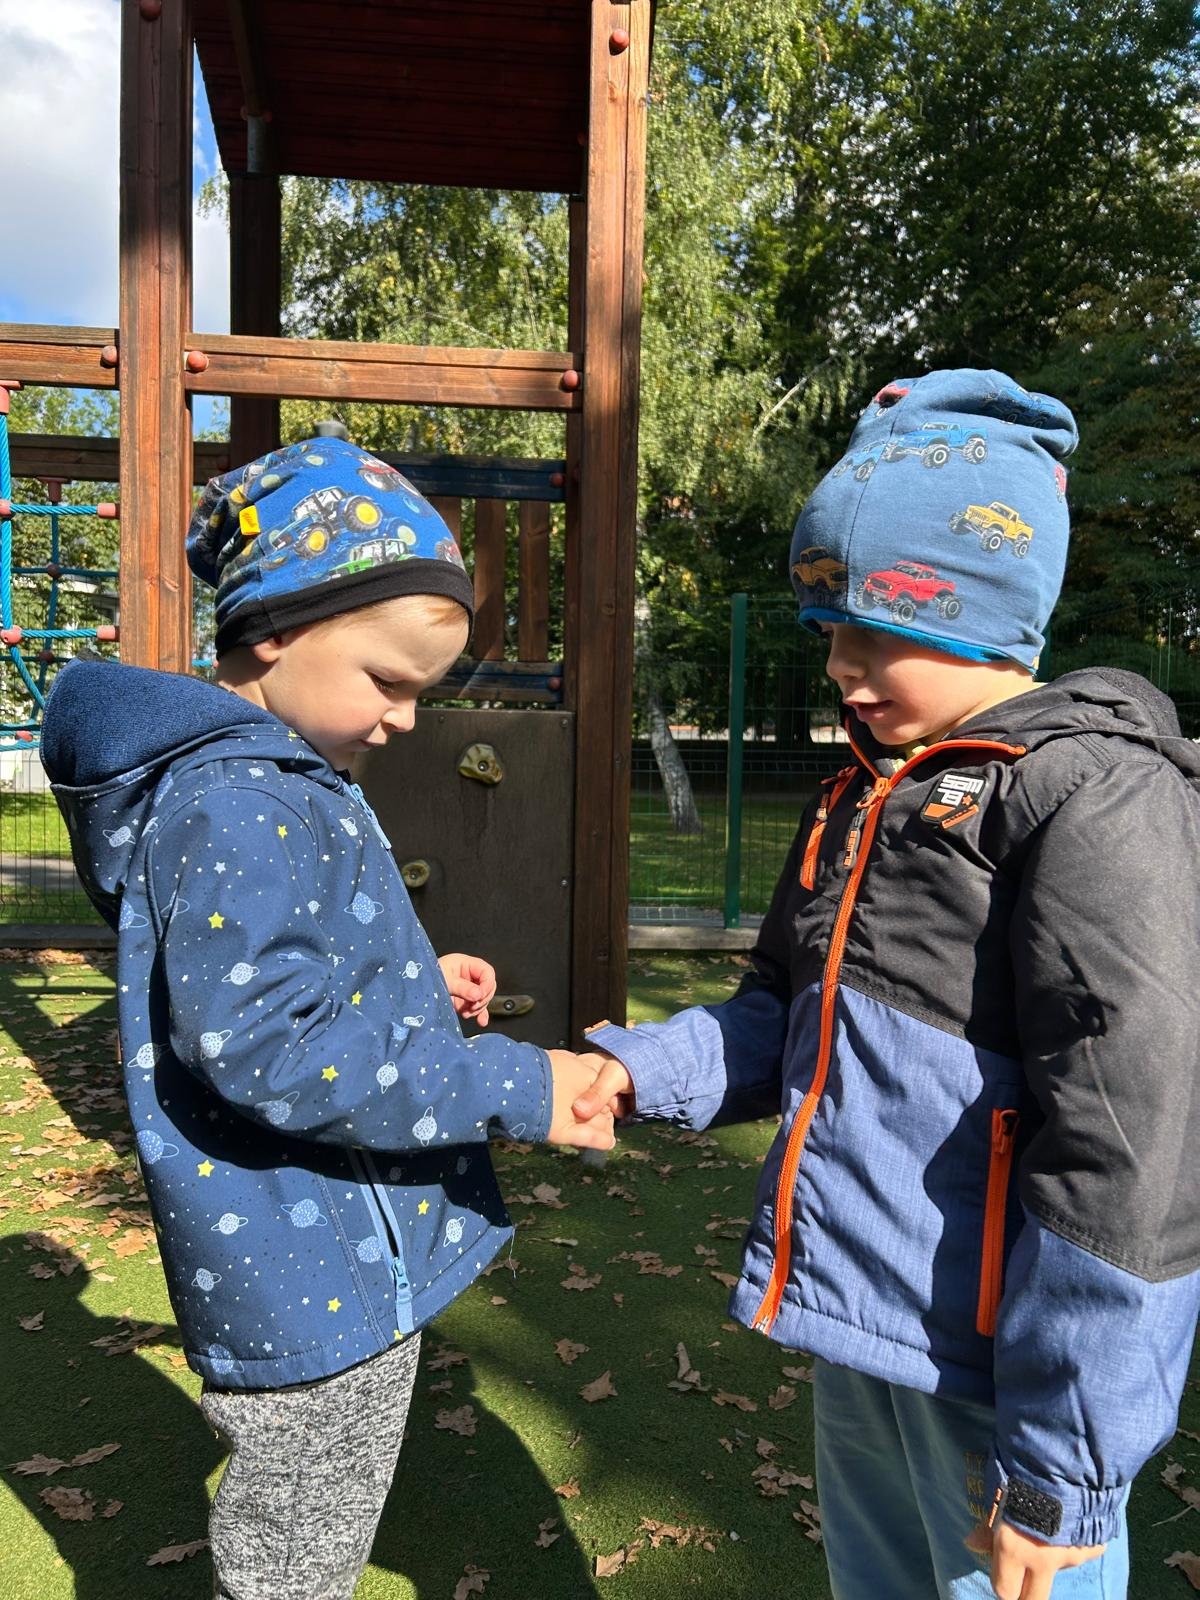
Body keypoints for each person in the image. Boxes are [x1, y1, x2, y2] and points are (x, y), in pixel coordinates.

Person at [572, 370, 1200, 1600]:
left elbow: (1135, 1145)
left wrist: (1063, 1466)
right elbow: (781, 1009)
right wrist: (643, 1067)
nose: (842, 665)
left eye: (877, 627)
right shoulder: (863, 792)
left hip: (1004, 1377)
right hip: (863, 1327)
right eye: (826, 630)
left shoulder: (1091, 794)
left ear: (981, 612)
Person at [41, 436, 612, 1600]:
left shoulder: (276, 777)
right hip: (305, 1260)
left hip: (335, 1245)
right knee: (295, 1560)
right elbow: (267, 1045)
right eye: (388, 681)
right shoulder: (234, 801)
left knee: (315, 1529)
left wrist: (414, 982)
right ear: (274, 630)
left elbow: (281, 980)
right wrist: (513, 1084)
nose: (404, 718)